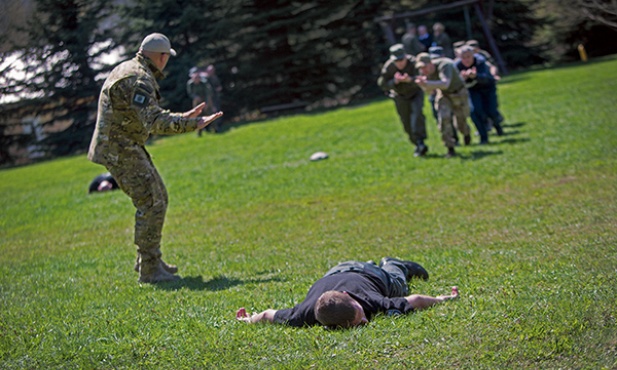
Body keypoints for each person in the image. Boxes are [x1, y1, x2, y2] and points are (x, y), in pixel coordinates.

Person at [87, 33, 224, 283]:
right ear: (162, 57)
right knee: (151, 202)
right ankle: (150, 269)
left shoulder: (130, 68)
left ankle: (150, 260)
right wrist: (193, 123)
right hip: (120, 147)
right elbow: (154, 121)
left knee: (158, 196)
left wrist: (183, 116)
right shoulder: (139, 78)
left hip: (123, 144)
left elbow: (148, 114)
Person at [236, 257, 459, 328]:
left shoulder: (370, 299)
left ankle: (392, 262)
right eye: (359, 322)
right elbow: (266, 315)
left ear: (353, 300)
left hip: (370, 275)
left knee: (397, 284)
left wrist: (442, 299)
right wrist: (248, 320)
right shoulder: (303, 314)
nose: (365, 320)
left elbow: (415, 299)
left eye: (360, 314)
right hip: (337, 270)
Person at [414, 52, 472, 158]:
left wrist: (427, 84)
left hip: (458, 92)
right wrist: (423, 85)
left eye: (425, 67)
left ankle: (466, 133)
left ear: (431, 63)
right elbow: (430, 92)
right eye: (421, 68)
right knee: (443, 119)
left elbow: (445, 83)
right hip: (443, 95)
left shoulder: (445, 65)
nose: (423, 70)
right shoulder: (424, 73)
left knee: (461, 121)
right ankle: (450, 148)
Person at [377, 44, 428, 157]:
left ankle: (421, 141)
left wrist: (410, 80)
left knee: (417, 115)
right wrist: (394, 82)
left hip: (415, 93)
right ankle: (417, 144)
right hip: (399, 96)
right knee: (406, 122)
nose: (400, 63)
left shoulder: (414, 63)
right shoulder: (388, 67)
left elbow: (423, 77)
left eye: (401, 59)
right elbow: (382, 84)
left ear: (405, 56)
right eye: (397, 60)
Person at [455, 46, 504, 144]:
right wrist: (462, 78)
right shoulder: (457, 65)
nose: (466, 60)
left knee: (491, 111)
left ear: (473, 55)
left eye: (468, 56)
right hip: (473, 90)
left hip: (487, 88)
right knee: (474, 112)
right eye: (463, 57)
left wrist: (476, 76)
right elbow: (455, 83)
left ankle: (498, 126)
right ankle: (483, 137)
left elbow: (487, 78)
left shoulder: (480, 62)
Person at [186, 66, 216, 136]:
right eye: (195, 78)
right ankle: (199, 132)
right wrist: (195, 97)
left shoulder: (204, 83)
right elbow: (190, 93)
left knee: (210, 113)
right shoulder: (190, 84)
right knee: (197, 116)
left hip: (206, 100)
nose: (196, 79)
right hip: (197, 101)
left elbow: (208, 93)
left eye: (198, 78)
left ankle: (214, 129)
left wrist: (207, 104)